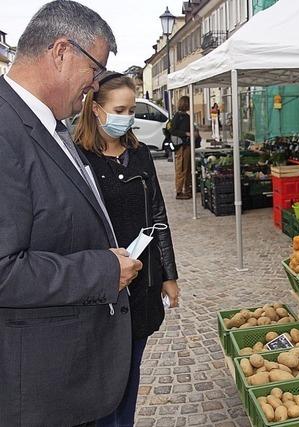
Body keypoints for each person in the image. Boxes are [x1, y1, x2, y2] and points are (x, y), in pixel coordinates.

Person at [0, 1, 142, 426]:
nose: (94, 84)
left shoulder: (49, 124)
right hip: (42, 393)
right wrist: (102, 270)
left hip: (73, 379)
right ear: (61, 51)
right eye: (95, 69)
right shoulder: (6, 129)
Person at [74, 72, 180, 427]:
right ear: (96, 109)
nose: (127, 117)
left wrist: (169, 274)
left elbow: (159, 215)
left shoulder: (139, 155)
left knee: (130, 376)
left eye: (131, 109)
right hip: (101, 290)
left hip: (141, 287)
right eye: (120, 109)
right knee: (105, 383)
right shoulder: (78, 158)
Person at [171, 95, 193, 199]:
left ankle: (187, 189)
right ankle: (179, 191)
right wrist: (185, 133)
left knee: (188, 168)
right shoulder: (178, 116)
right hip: (181, 146)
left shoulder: (187, 116)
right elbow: (173, 131)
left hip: (187, 145)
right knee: (182, 168)